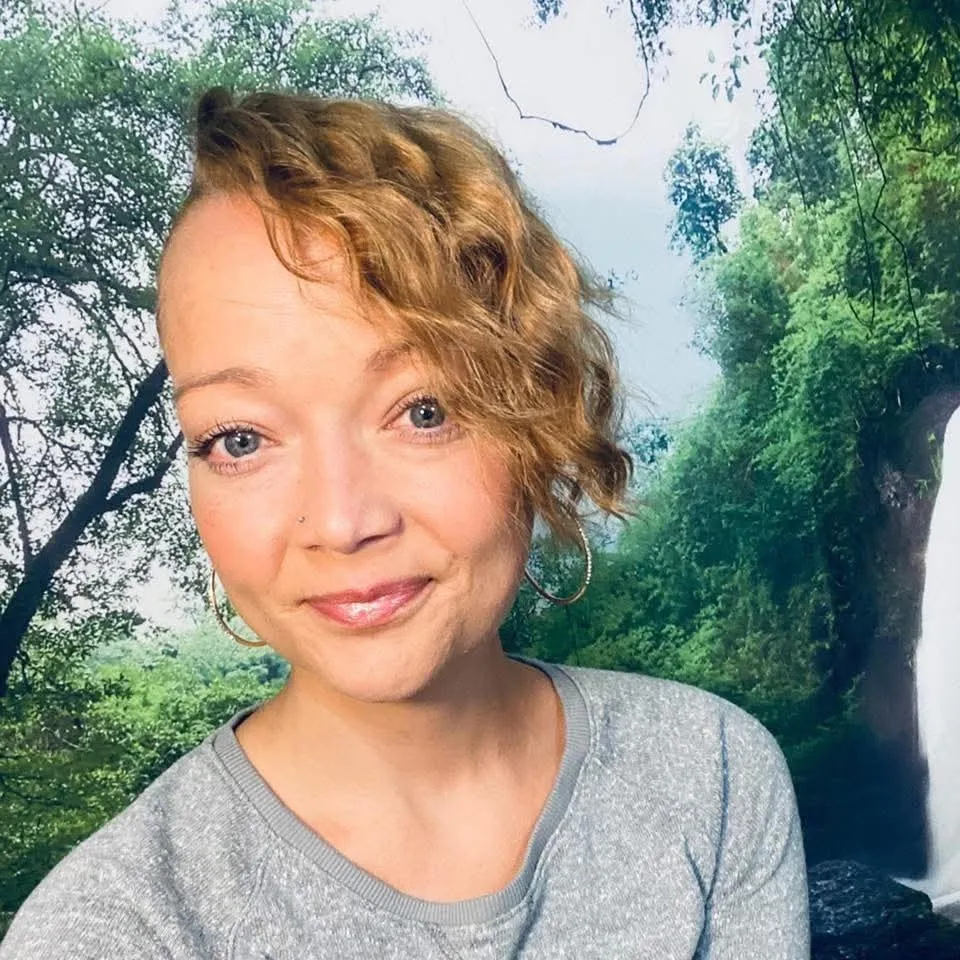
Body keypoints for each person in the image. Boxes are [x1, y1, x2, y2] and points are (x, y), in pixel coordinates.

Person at [0, 87, 809, 959]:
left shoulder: (711, 777)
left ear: (538, 419)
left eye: (424, 411)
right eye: (239, 438)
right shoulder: (112, 931)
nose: (343, 523)